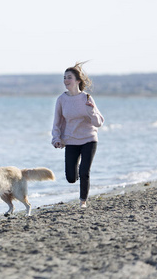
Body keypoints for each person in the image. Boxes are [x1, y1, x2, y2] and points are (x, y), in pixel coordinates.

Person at [51, 62, 104, 208]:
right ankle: (78, 174)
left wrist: (92, 111)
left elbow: (98, 122)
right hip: (71, 141)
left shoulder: (86, 98)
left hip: (89, 139)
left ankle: (83, 201)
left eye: (69, 77)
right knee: (71, 177)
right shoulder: (61, 99)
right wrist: (56, 139)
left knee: (84, 171)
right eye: (64, 77)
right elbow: (57, 122)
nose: (66, 80)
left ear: (77, 81)